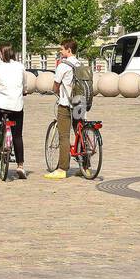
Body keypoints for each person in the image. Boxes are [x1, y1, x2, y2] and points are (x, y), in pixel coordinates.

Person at [0, 45, 26, 180]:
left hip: (1, 103)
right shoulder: (20, 66)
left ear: (1, 54)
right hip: (16, 105)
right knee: (17, 136)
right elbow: (24, 84)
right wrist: (24, 91)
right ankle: (20, 166)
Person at [46, 40, 83, 180]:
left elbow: (56, 85)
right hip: (81, 102)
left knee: (64, 136)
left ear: (68, 50)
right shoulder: (80, 64)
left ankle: (62, 169)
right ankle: (85, 166)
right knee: (80, 132)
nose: (60, 51)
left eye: (62, 49)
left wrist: (54, 91)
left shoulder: (63, 65)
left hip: (66, 103)